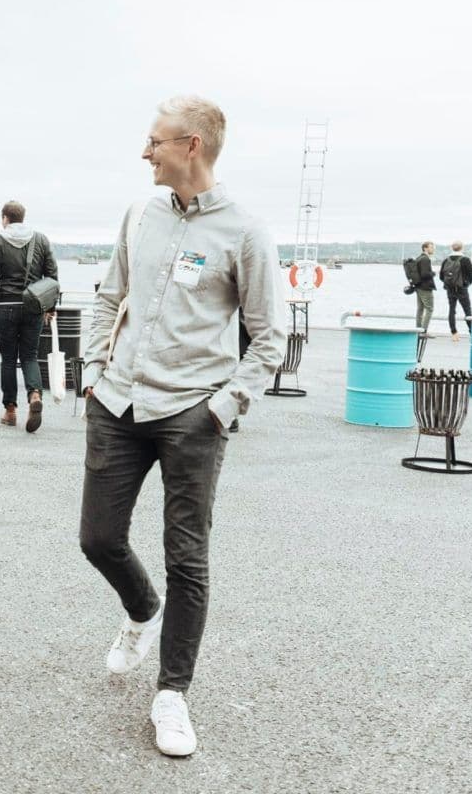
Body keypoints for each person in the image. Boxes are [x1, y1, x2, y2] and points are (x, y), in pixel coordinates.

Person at [80, 95, 283, 758]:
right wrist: (92, 371)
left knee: (187, 557)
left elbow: (268, 337)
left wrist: (223, 407)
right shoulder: (139, 214)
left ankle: (172, 694)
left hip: (191, 413)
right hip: (117, 403)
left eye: (156, 141)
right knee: (98, 538)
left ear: (191, 145)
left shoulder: (245, 231)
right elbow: (109, 296)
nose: (145, 152)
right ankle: (143, 611)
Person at [0, 201, 57, 432]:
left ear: (5, 218)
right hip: (33, 306)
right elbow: (52, 276)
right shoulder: (41, 240)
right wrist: (50, 307)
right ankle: (34, 395)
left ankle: (10, 411)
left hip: (5, 306)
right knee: (30, 356)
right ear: (23, 217)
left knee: (8, 359)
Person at [440, 241, 472, 340]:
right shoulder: (465, 260)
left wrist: (449, 283)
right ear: (462, 248)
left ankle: (454, 333)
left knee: (452, 310)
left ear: (452, 248)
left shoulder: (446, 260)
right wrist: (466, 284)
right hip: (462, 288)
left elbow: (441, 276)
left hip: (450, 289)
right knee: (467, 310)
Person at [413, 241, 437, 332]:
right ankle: (423, 330)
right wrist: (433, 273)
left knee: (420, 309)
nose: (433, 249)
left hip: (418, 287)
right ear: (425, 248)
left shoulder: (419, 258)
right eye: (431, 247)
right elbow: (425, 274)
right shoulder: (425, 259)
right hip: (425, 287)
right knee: (430, 309)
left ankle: (418, 330)